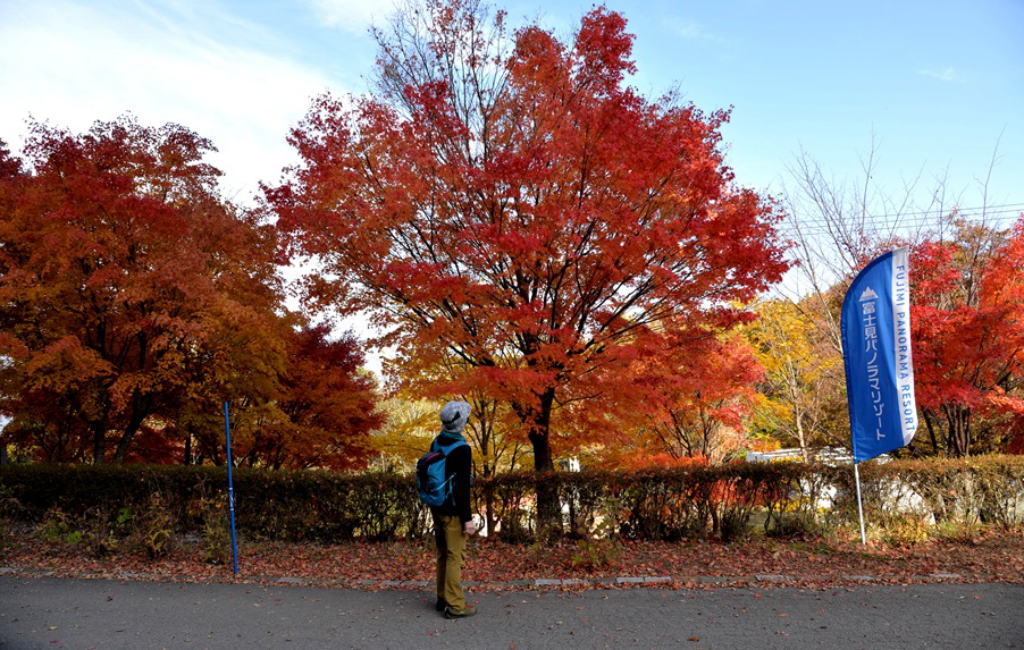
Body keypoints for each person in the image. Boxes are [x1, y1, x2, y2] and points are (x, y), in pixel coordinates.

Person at [431, 400, 477, 618]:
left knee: (443, 554)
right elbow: (462, 488)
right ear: (460, 423)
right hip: (453, 511)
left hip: (437, 506)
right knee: (455, 557)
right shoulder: (462, 449)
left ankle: (442, 598)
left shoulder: (438, 442)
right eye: (466, 418)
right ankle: (455, 605)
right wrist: (467, 519)